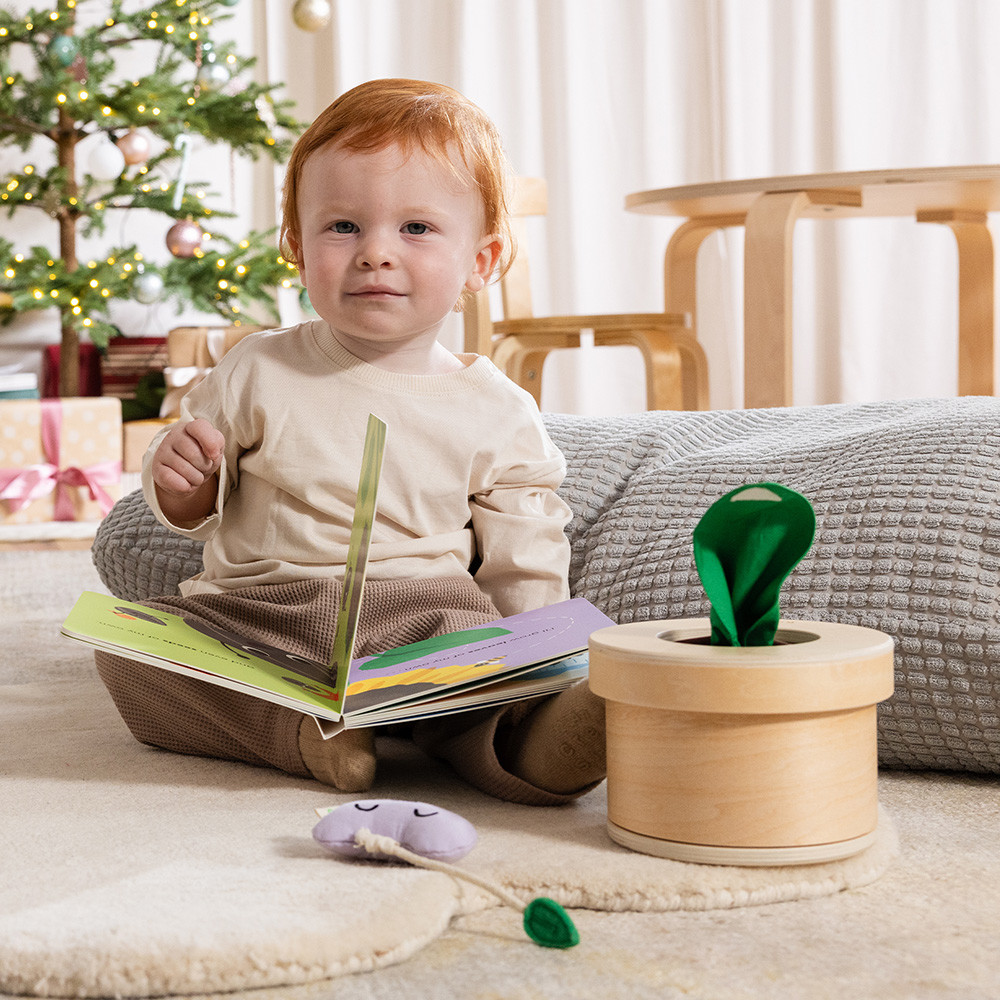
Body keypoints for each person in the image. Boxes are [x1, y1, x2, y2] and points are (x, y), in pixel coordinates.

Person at [95, 78, 606, 805]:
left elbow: (526, 545)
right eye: (343, 228)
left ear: (482, 261)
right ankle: (309, 734)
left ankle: (532, 739)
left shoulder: (497, 409)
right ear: (298, 250)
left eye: (416, 229)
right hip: (263, 616)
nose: (375, 254)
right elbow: (192, 492)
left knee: (480, 671)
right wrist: (182, 482)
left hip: (422, 617)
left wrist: (534, 654)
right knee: (131, 653)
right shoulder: (257, 366)